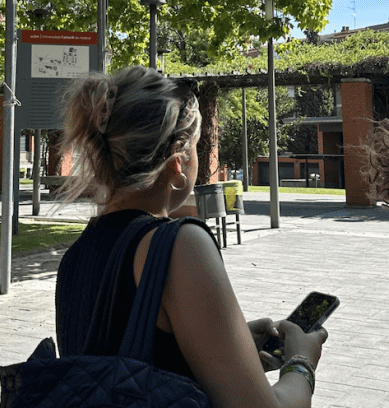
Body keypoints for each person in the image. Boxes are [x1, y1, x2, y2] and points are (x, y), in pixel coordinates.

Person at [55, 66, 327, 408]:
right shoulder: (179, 246)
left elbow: (120, 369)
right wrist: (301, 361)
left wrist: (227, 346)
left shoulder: (77, 254)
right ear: (179, 158)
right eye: (196, 146)